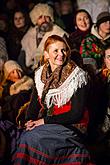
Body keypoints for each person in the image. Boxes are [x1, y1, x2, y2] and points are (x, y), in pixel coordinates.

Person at [13, 35, 93, 165]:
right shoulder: (40, 75)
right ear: (46, 54)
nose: (61, 54)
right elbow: (34, 104)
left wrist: (43, 121)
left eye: (64, 50)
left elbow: (76, 114)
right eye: (56, 51)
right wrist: (29, 121)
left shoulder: (77, 77)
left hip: (72, 126)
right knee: (24, 135)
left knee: (31, 138)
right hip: (49, 124)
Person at [18, 3, 69, 76]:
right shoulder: (29, 34)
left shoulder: (59, 33)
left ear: (51, 18)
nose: (44, 20)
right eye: (40, 17)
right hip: (29, 72)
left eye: (47, 17)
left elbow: (66, 55)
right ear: (35, 20)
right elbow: (22, 56)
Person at [0, 60, 34, 124]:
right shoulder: (7, 87)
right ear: (8, 76)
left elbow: (26, 95)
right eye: (13, 72)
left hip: (21, 109)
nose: (17, 73)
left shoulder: (28, 81)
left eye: (18, 70)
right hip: (8, 112)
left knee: (19, 97)